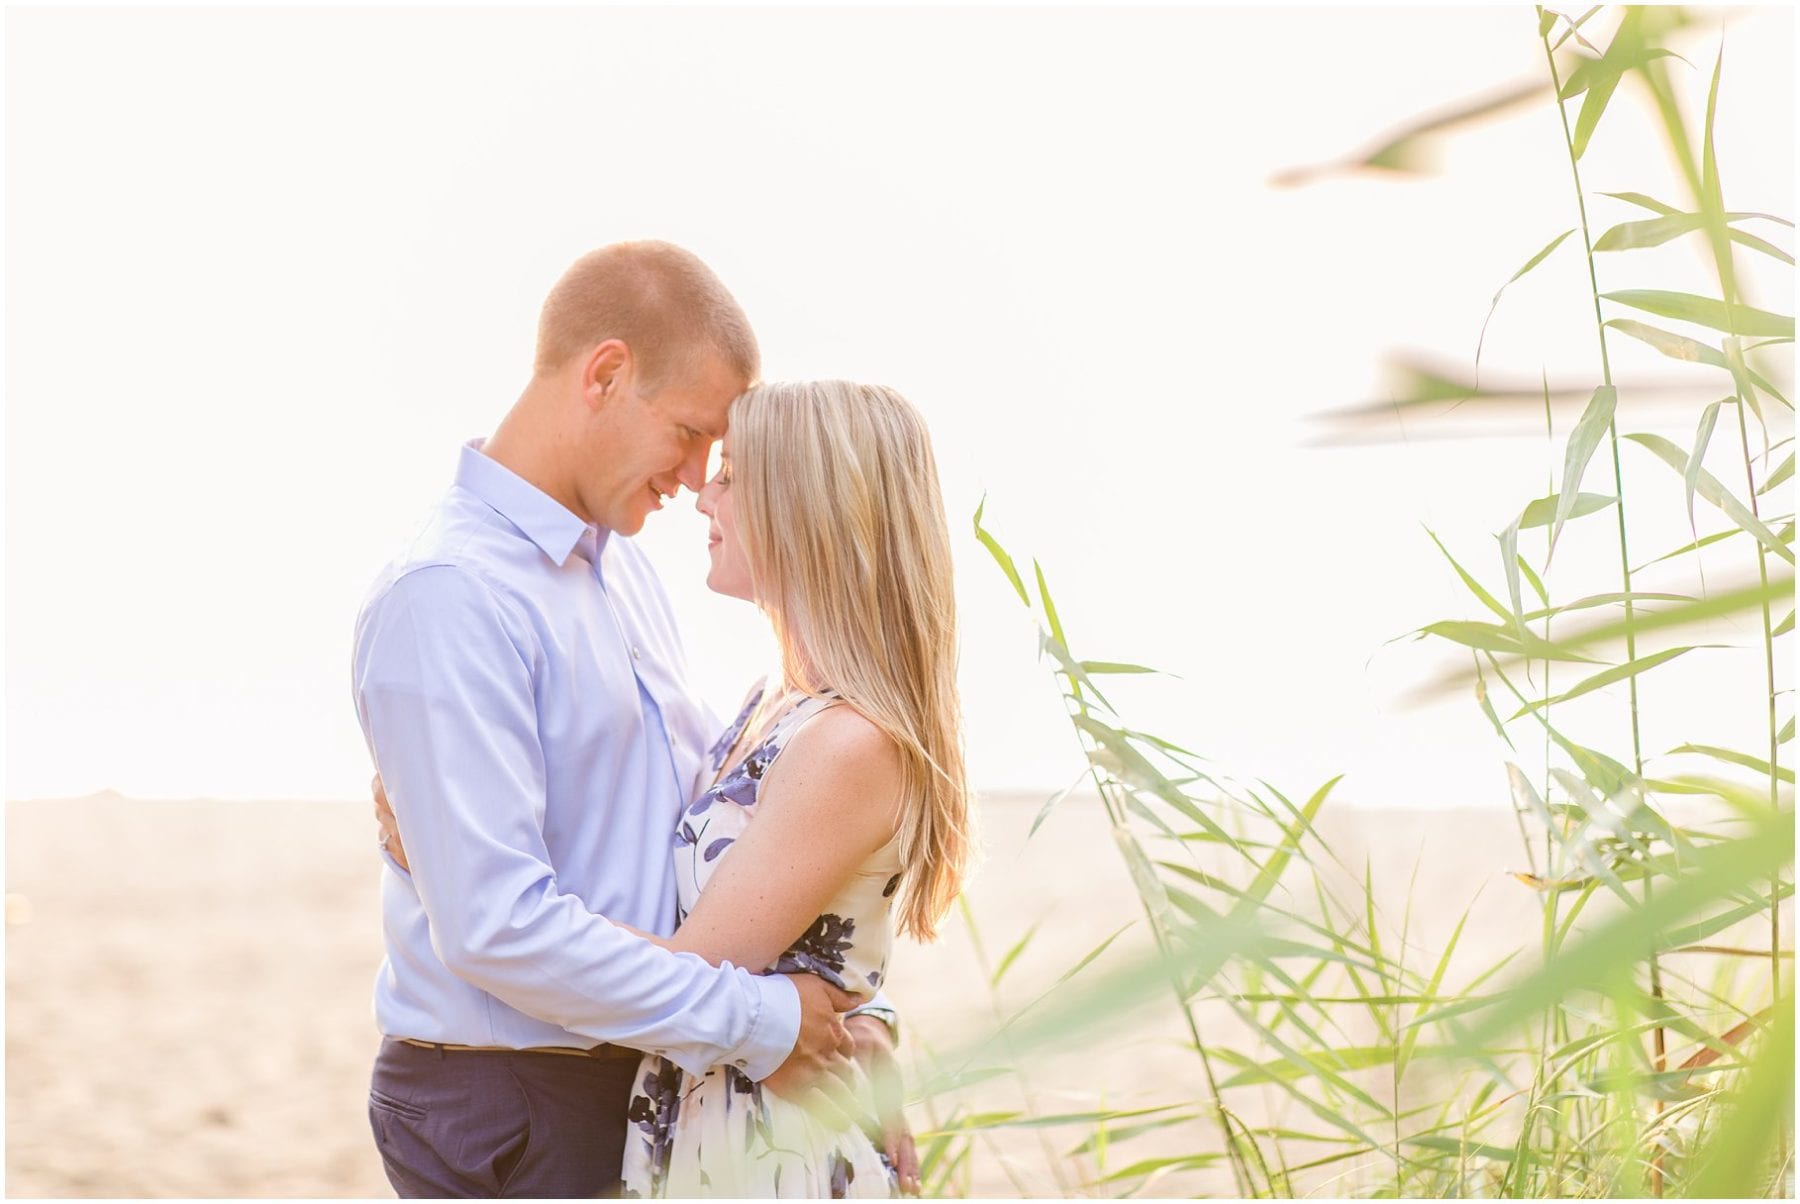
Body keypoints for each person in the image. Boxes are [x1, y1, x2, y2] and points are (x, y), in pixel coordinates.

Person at [352, 242, 899, 1198]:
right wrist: (764, 1022)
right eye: (690, 432)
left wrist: (857, 1004)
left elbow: (714, 841)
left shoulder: (621, 570)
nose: (698, 478)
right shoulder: (451, 593)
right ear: (605, 374)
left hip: (648, 1067)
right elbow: (494, 929)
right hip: (519, 1093)